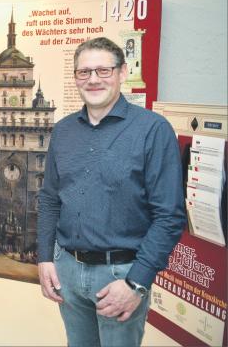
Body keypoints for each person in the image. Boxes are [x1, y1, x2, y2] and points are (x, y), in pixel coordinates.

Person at [36, 37, 186, 347]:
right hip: (67, 269)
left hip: (120, 275)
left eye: (103, 70)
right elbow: (50, 199)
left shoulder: (152, 130)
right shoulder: (63, 131)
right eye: (84, 72)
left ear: (122, 73)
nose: (93, 79)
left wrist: (137, 282)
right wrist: (45, 258)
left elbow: (169, 215)